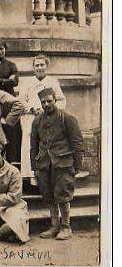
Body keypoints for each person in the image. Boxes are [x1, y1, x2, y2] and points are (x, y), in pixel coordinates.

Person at [31, 87, 83, 240]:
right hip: (44, 165)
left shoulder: (67, 118)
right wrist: (34, 167)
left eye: (49, 101)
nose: (46, 104)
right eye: (43, 102)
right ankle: (54, 226)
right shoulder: (37, 120)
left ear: (55, 100)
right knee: (48, 195)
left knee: (63, 195)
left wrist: (77, 165)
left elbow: (77, 142)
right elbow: (34, 145)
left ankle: (66, 227)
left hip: (63, 163)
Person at [19, 54, 66, 182]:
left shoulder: (52, 82)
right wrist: (31, 109)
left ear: (46, 66)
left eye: (42, 65)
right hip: (30, 117)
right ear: (33, 67)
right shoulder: (27, 82)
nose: (39, 67)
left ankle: (47, 176)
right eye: (37, 65)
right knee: (30, 142)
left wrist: (49, 109)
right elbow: (21, 101)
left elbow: (61, 100)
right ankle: (30, 176)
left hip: (48, 117)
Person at [0, 39, 21, 163]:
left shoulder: (11, 65)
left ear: (5, 49)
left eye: (2, 48)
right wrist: (6, 80)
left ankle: (13, 161)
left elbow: (15, 81)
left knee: (11, 131)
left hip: (9, 102)